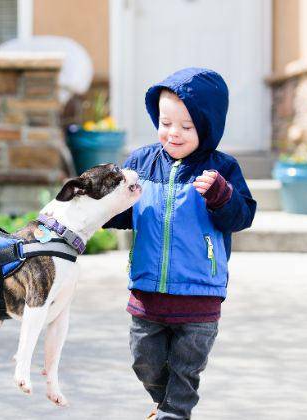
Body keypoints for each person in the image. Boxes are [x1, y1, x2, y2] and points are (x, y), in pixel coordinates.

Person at [104, 67, 257, 419]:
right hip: (147, 291)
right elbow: (122, 212)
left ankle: (174, 413)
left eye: (186, 127)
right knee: (144, 361)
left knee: (186, 371)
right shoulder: (140, 163)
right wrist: (100, 209)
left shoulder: (222, 169)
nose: (173, 134)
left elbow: (242, 216)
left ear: (208, 126)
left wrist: (221, 196)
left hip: (199, 296)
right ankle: (167, 405)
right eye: (165, 123)